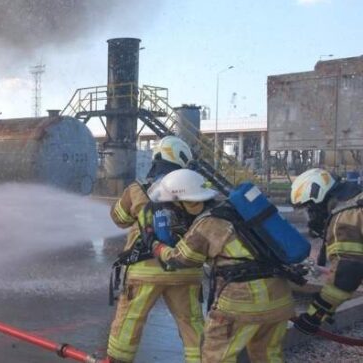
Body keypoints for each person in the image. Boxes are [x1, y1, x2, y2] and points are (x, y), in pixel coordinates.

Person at [149, 169, 295, 363]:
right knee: (268, 356)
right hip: (280, 298)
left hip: (241, 303)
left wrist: (156, 245)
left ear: (190, 203)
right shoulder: (236, 210)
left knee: (216, 357)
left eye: (175, 207)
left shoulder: (207, 223)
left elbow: (179, 259)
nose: (174, 213)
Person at [107, 136, 204, 363]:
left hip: (144, 270)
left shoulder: (138, 188)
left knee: (130, 321)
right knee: (192, 324)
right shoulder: (195, 189)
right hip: (185, 267)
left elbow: (119, 219)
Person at [290, 168, 363, 335]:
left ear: (317, 202)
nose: (309, 218)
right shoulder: (357, 202)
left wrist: (315, 315)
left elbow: (346, 275)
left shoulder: (344, 219)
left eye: (308, 210)